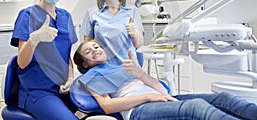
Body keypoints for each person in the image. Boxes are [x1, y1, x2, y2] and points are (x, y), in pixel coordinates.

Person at [73, 40, 257, 120]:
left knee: (224, 98)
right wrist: (147, 97)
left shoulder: (122, 66)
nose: (95, 50)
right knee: (196, 107)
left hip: (157, 99)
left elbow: (163, 91)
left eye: (96, 46)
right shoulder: (90, 77)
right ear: (85, 63)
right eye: (88, 51)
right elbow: (108, 106)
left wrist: (140, 74)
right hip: (138, 111)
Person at [10, 0, 79, 120]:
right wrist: (34, 39)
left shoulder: (65, 16)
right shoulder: (27, 15)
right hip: (37, 91)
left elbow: (66, 56)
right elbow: (21, 62)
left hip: (62, 89)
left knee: (103, 108)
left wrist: (70, 78)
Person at [81, 0, 144, 65]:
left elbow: (138, 44)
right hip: (103, 70)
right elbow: (87, 48)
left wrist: (134, 33)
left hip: (128, 69)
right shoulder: (92, 13)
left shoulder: (132, 11)